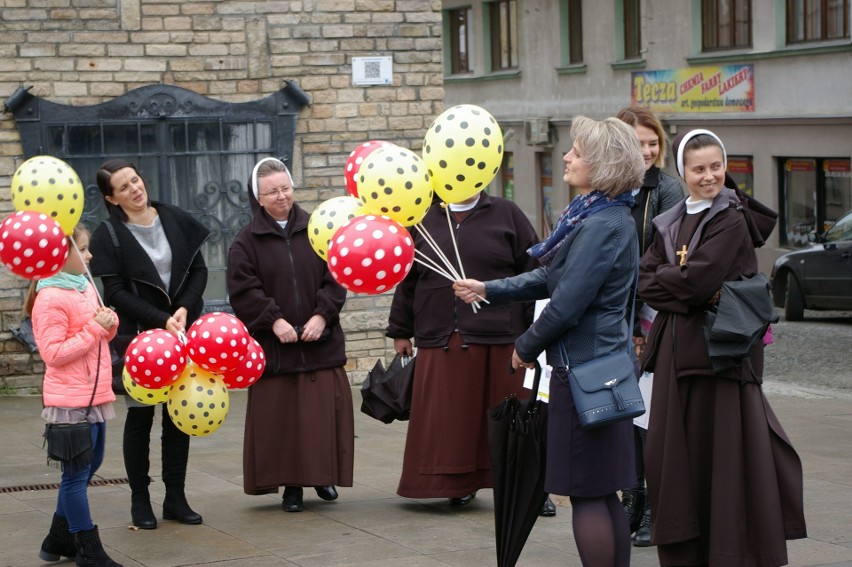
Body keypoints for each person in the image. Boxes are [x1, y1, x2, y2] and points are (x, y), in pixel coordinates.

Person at [454, 115, 645, 567]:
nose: (567, 157)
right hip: (598, 370)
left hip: (585, 375)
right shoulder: (601, 216)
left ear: (601, 164)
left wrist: (524, 346)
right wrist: (490, 288)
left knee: (587, 494)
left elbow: (567, 305)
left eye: (577, 152)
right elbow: (552, 277)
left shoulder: (602, 224)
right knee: (601, 493)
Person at [638, 128, 807, 566]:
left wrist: (677, 285)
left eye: (716, 166)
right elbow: (645, 281)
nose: (709, 176)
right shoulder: (671, 219)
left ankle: (730, 552)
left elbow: (698, 280)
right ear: (684, 172)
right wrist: (683, 287)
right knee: (679, 461)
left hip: (721, 360)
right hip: (678, 357)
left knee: (726, 461)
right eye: (698, 169)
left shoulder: (730, 217)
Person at [386, 190, 544, 510]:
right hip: (442, 337)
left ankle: (528, 490)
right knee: (454, 422)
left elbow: (533, 273)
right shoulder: (421, 219)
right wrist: (400, 330)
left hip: (503, 337)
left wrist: (532, 330)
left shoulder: (507, 213)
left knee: (514, 419)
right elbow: (408, 280)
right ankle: (458, 484)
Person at [227, 157, 354, 512]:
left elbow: (337, 275)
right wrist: (274, 321)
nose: (282, 196)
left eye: (285, 188)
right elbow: (243, 291)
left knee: (321, 420)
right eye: (272, 191)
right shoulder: (245, 242)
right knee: (284, 425)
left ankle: (324, 477)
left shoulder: (319, 227)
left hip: (319, 344)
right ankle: (292, 489)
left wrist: (322, 315)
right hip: (276, 350)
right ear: (258, 197)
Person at [89, 159, 210, 530]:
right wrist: (162, 320)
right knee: (139, 420)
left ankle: (176, 497)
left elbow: (198, 270)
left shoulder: (173, 217)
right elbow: (116, 293)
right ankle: (139, 499)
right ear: (112, 198)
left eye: (136, 180)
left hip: (182, 333)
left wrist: (184, 309)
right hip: (140, 339)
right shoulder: (107, 236)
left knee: (179, 417)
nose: (135, 189)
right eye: (124, 187)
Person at [30, 225, 122, 566]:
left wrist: (108, 322)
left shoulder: (83, 286)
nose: (89, 255)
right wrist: (95, 328)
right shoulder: (50, 297)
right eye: (82, 249)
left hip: (94, 395)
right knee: (76, 475)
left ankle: (57, 540)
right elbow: (53, 353)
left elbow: (99, 336)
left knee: (90, 466)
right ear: (61, 255)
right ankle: (87, 547)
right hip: (69, 401)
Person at [615, 105, 684, 546]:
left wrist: (642, 326)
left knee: (651, 418)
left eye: (653, 143)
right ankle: (631, 497)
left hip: (652, 317)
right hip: (614, 318)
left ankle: (653, 507)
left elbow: (663, 261)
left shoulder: (668, 190)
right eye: (637, 143)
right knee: (622, 414)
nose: (646, 151)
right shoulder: (610, 190)